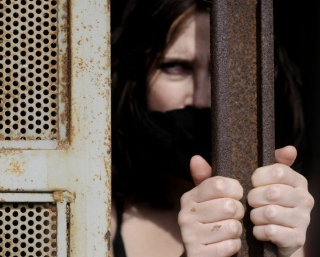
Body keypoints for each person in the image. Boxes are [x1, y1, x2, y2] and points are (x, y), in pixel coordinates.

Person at [110, 0, 314, 256]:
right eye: (176, 67)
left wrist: (288, 251)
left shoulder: (275, 208)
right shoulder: (94, 214)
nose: (201, 98)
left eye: (224, 71)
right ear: (136, 77)